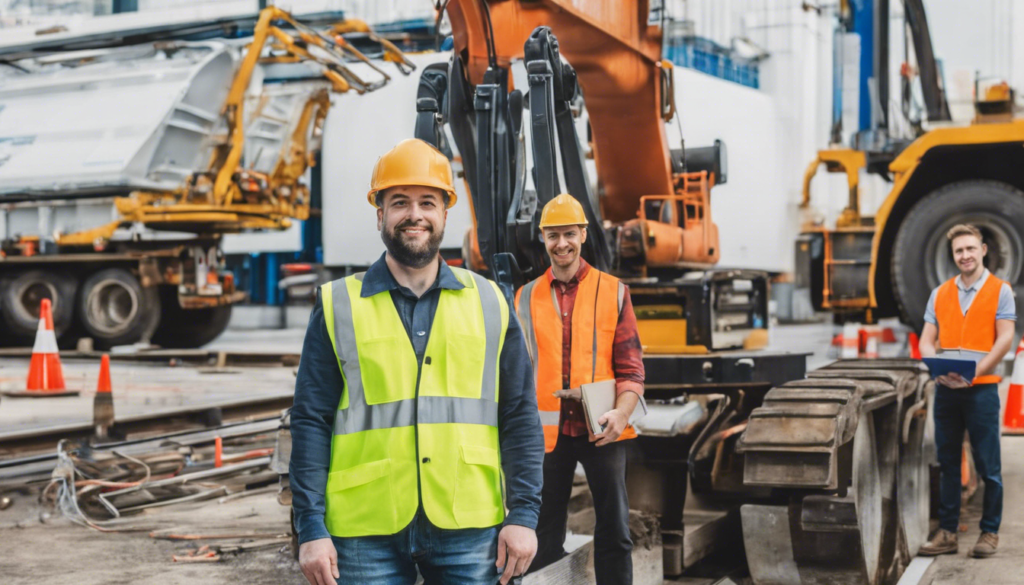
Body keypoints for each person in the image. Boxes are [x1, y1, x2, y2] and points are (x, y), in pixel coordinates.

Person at [289, 138, 544, 585]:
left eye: (428, 201)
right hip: (363, 528)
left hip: (469, 524)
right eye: (399, 202)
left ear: (445, 213)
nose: (415, 214)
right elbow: (310, 421)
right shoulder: (337, 305)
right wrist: (310, 527)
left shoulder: (490, 302)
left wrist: (523, 514)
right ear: (380, 215)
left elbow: (520, 414)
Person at [517, 194, 645, 584]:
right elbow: (516, 374)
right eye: (553, 235)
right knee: (541, 535)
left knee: (615, 532)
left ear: (583, 235)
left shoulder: (614, 291)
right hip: (546, 436)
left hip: (602, 429)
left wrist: (620, 415)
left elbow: (631, 369)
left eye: (569, 234)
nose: (562, 243)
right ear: (543, 238)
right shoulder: (524, 297)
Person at [918, 223, 1014, 558]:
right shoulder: (940, 293)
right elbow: (926, 341)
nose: (965, 255)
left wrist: (975, 374)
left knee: (989, 466)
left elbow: (1005, 338)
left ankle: (989, 532)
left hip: (981, 391)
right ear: (953, 255)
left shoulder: (1000, 290)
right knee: (947, 462)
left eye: (971, 248)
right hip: (947, 391)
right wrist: (938, 370)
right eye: (959, 250)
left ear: (983, 250)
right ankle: (947, 533)